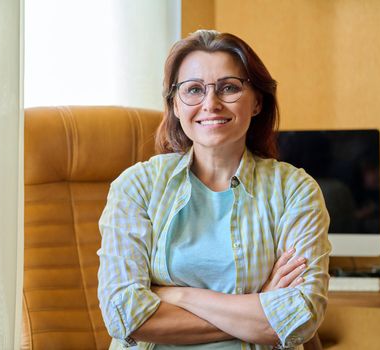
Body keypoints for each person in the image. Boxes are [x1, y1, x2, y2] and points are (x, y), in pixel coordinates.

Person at [98, 30, 331, 350]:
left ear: (257, 102)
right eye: (193, 89)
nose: (211, 103)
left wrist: (176, 294)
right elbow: (123, 315)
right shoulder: (137, 187)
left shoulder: (294, 191)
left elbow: (300, 316)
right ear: (175, 106)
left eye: (229, 88)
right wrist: (258, 305)